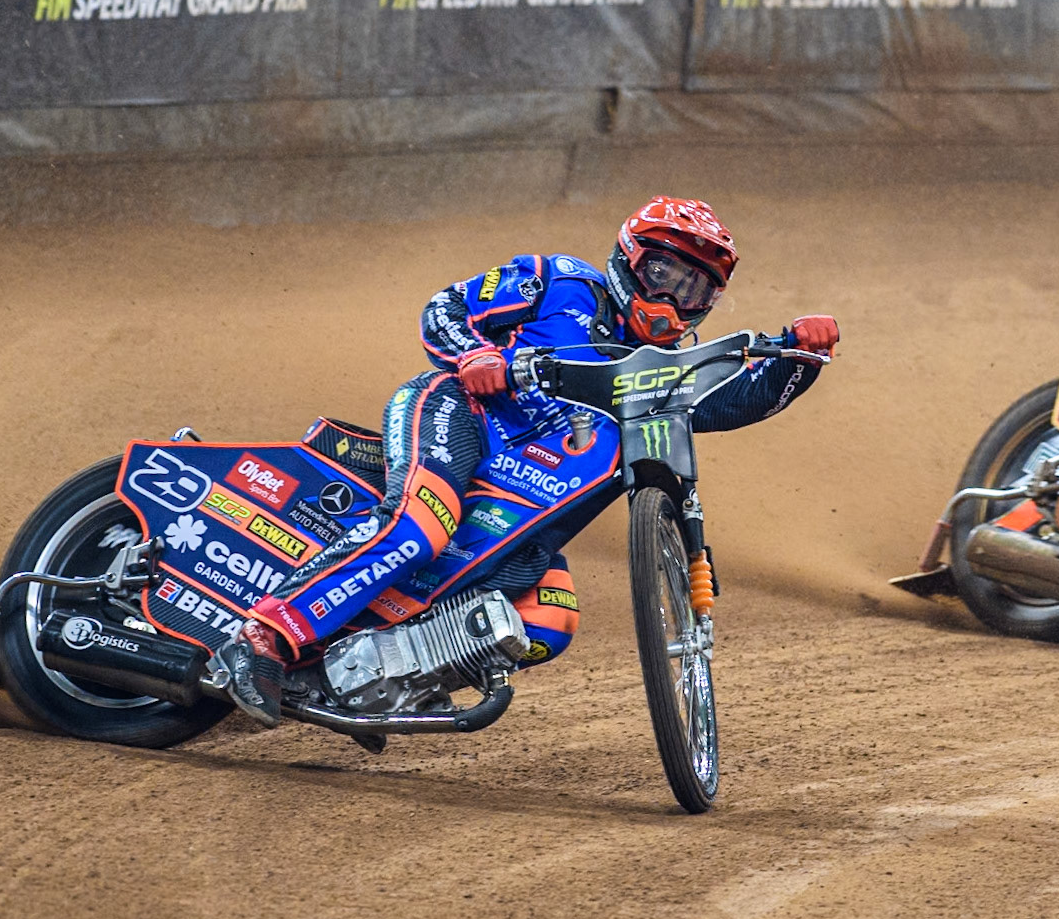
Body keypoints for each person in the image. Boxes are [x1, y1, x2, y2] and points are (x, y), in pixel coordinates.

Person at [212, 196, 840, 724]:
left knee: (550, 621)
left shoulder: (674, 374)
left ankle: (365, 682)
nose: (674, 300)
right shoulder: (560, 279)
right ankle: (262, 634)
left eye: (695, 289)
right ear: (628, 260)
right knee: (420, 527)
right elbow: (445, 309)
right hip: (461, 415)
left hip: (528, 513)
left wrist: (801, 358)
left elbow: (737, 402)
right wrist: (472, 357)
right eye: (663, 276)